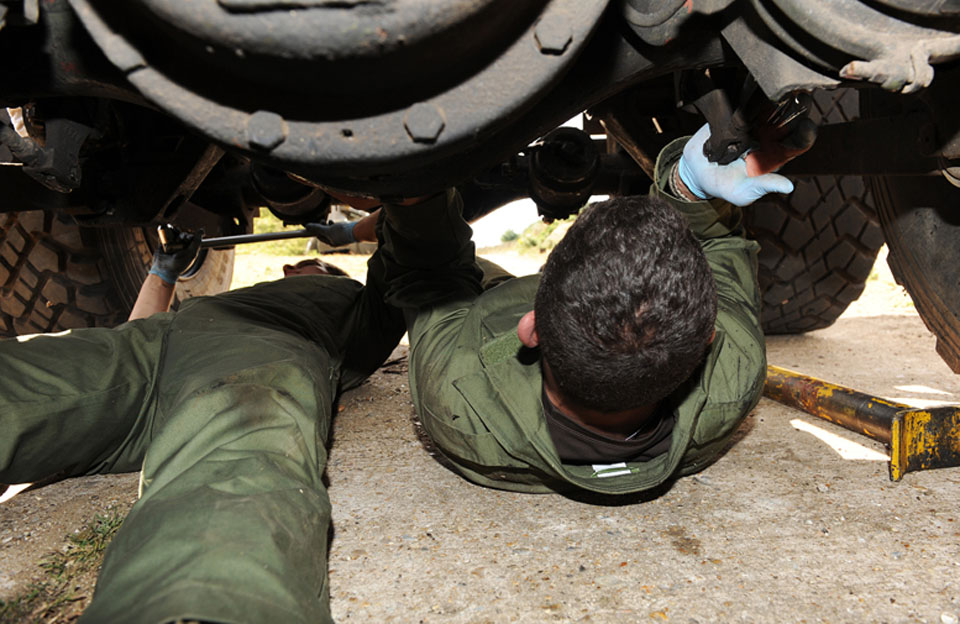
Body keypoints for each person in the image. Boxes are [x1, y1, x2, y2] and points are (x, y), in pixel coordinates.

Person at [370, 119, 810, 495]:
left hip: (489, 310)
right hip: (562, 311)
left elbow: (434, 278)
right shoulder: (733, 372)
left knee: (465, 273)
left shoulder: (460, 397)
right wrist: (687, 189)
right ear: (708, 339)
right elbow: (725, 266)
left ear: (530, 330)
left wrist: (412, 192)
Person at [0, 220, 403, 623]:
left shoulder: (350, 301)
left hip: (249, 349)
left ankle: (202, 605)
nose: (290, 268)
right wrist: (163, 271)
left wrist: (354, 231)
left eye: (306, 264)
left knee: (238, 448)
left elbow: (404, 237)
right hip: (147, 347)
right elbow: (134, 327)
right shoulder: (229, 298)